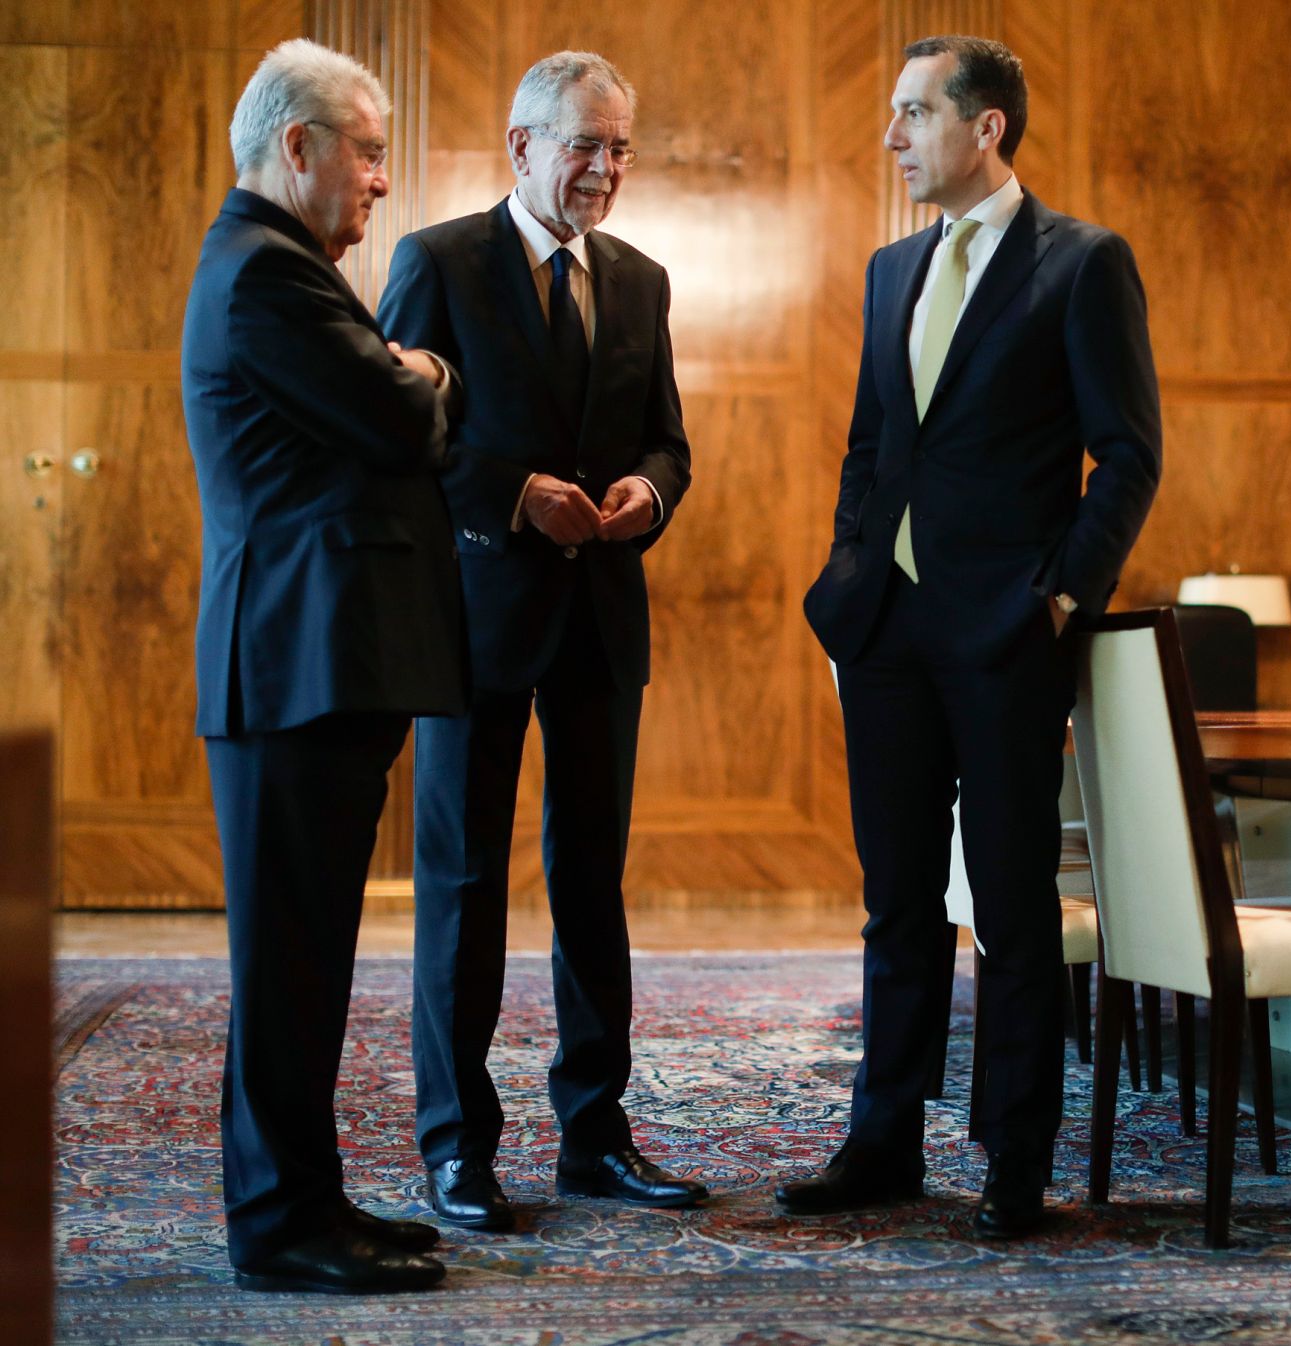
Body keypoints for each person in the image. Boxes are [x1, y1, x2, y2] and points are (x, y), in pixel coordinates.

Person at [784, 35, 1161, 1238]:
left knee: (1008, 905)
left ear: (984, 125)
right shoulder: (892, 269)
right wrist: (849, 573)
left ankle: (1013, 1155)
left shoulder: (1082, 263)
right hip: (884, 629)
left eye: (911, 114)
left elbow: (1128, 454)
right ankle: (881, 1142)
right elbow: (868, 442)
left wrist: (1057, 597)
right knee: (895, 901)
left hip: (1005, 634)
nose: (891, 137)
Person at [377, 50, 699, 1230]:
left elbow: (669, 440)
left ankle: (594, 1135)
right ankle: (456, 1144)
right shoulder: (438, 261)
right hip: (471, 622)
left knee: (590, 883)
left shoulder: (643, 278)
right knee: (461, 885)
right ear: (520, 146)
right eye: (585, 145)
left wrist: (646, 494)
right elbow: (398, 437)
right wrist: (512, 493)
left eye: (621, 147)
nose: (606, 168)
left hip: (601, 622)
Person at [182, 39, 466, 1293]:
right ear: (295, 147)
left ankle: (308, 1199)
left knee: (306, 958)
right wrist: (426, 374)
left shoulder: (284, 267)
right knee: (288, 960)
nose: (380, 181)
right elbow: (399, 417)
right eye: (367, 151)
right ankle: (281, 1225)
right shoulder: (265, 276)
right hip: (291, 662)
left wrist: (411, 372)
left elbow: (393, 403)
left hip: (318, 660)